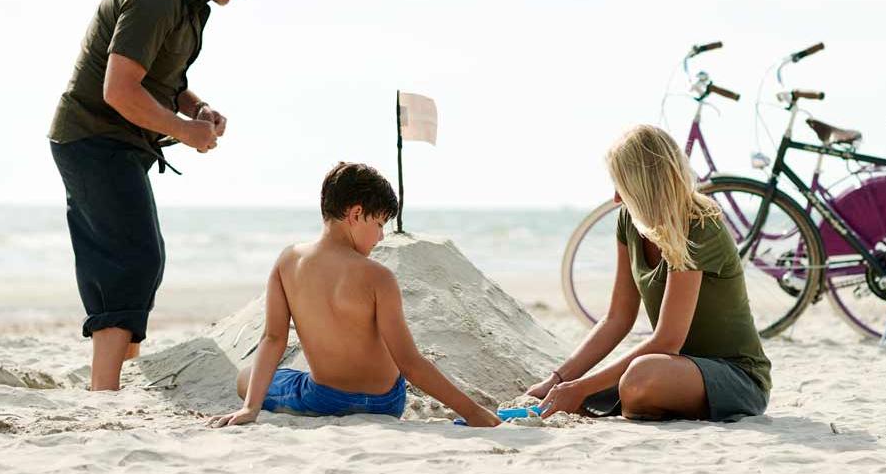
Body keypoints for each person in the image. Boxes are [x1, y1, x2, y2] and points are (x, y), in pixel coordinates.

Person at [48, 0, 277, 391]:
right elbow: (119, 90)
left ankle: (117, 377)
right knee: (132, 259)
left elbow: (161, 82)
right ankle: (103, 394)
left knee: (142, 260)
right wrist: (184, 132)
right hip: (92, 136)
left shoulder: (193, 4)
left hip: (122, 141)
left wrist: (199, 109)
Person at [208, 163, 500, 428]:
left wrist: (250, 408)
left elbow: (273, 338)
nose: (381, 236)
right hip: (386, 403)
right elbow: (410, 363)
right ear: (356, 214)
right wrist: (473, 413)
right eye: (379, 224)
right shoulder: (378, 277)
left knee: (245, 377)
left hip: (323, 400)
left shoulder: (288, 261)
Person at [529, 125, 772, 421]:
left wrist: (580, 389)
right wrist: (557, 381)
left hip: (736, 377)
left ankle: (634, 402)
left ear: (644, 186)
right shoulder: (629, 222)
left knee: (639, 376)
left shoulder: (700, 224)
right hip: (674, 369)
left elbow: (667, 340)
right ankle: (635, 403)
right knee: (608, 385)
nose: (617, 198)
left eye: (622, 186)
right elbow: (617, 319)